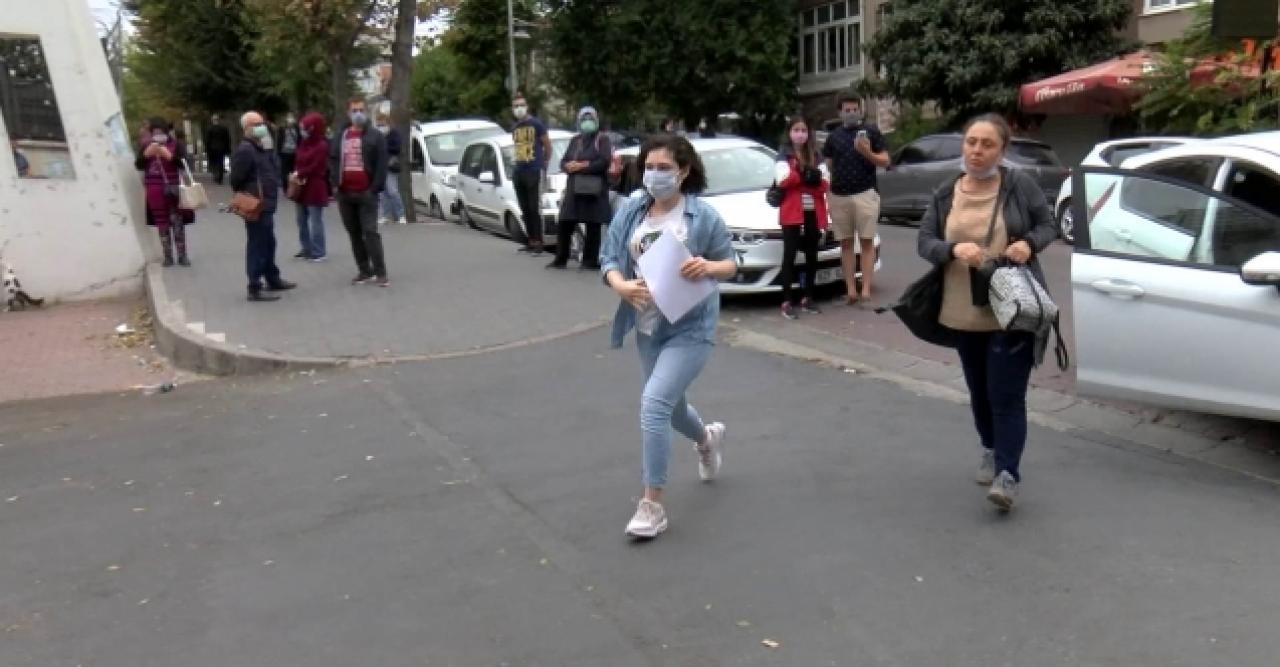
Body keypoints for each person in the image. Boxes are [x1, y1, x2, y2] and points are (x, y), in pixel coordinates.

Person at [916, 113, 1058, 511]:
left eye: (987, 144)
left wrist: (1028, 244)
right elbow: (925, 242)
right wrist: (952, 250)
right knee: (980, 392)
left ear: (1003, 150)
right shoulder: (947, 192)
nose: (977, 151)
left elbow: (1048, 225)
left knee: (1006, 395)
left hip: (1013, 310)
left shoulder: (1019, 185)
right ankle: (991, 447)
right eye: (971, 142)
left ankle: (1008, 474)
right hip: (963, 312)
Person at [599, 134, 736, 539]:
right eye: (649, 167)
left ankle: (652, 506)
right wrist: (620, 285)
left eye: (664, 168)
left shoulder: (702, 216)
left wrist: (707, 266)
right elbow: (608, 258)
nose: (655, 175)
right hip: (648, 327)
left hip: (691, 328)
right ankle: (707, 439)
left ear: (684, 171)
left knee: (654, 405)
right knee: (672, 408)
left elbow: (730, 263)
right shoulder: (632, 211)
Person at [823, 93, 889, 306]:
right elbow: (829, 164)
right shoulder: (834, 137)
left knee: (867, 241)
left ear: (861, 111)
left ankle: (866, 289)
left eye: (855, 110)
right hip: (839, 196)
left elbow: (885, 161)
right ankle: (850, 289)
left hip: (865, 194)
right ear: (840, 112)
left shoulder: (871, 132)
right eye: (847, 110)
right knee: (846, 243)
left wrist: (867, 152)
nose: (851, 114)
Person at [229, 111, 296, 302]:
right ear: (246, 128)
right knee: (258, 244)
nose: (261, 127)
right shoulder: (245, 150)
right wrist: (250, 192)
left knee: (268, 242)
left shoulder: (262, 146)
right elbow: (236, 179)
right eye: (256, 124)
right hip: (256, 204)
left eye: (262, 123)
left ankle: (272, 277)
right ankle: (254, 286)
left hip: (267, 202)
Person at [329, 96, 390, 287]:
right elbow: (333, 159)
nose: (358, 114)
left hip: (367, 193)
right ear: (348, 113)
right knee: (354, 233)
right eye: (354, 110)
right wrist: (335, 184)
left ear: (367, 112)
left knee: (370, 232)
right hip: (345, 193)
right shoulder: (341, 136)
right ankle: (364, 270)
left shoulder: (376, 136)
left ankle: (381, 272)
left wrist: (375, 188)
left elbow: (382, 164)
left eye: (361, 110)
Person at [774, 116, 828, 320]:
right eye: (796, 130)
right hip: (792, 212)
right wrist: (804, 175)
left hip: (813, 211)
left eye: (804, 130)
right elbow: (783, 180)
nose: (800, 134)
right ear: (789, 133)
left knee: (812, 255)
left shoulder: (816, 154)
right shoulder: (783, 155)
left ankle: (808, 298)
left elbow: (824, 184)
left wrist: (802, 179)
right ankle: (786, 301)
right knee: (789, 256)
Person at [548, 106, 612, 271]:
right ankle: (560, 259)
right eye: (584, 119)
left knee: (593, 225)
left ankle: (589, 261)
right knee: (565, 222)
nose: (587, 122)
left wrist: (581, 166)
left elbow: (604, 162)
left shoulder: (602, 139)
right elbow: (563, 161)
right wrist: (568, 166)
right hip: (574, 189)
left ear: (596, 120)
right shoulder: (575, 140)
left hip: (594, 190)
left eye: (590, 119)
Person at [135, 118, 190, 267]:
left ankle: (182, 255)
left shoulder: (176, 144)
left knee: (177, 221)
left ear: (166, 132)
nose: (158, 135)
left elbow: (185, 163)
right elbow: (138, 165)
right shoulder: (147, 146)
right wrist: (146, 155)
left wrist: (169, 156)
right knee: (162, 222)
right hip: (154, 189)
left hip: (173, 188)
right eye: (155, 133)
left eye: (160, 132)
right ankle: (168, 256)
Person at [510, 92, 552, 255]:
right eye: (516, 106)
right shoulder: (515, 127)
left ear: (526, 107)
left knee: (534, 207)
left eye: (521, 105)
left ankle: (539, 242)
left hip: (534, 170)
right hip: (519, 170)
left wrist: (544, 162)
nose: (519, 108)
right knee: (525, 207)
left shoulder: (536, 124)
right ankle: (531, 240)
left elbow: (547, 145)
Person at [291, 111, 330, 262]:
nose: (303, 131)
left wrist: (299, 172)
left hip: (315, 186)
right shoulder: (303, 143)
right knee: (301, 219)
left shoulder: (322, 145)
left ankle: (319, 251)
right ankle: (306, 248)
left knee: (315, 220)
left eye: (305, 128)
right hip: (301, 185)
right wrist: (297, 172)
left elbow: (316, 166)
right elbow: (298, 159)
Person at [376, 112, 407, 225]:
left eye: (383, 125)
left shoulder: (394, 134)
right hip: (380, 166)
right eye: (379, 125)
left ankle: (401, 215)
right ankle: (385, 215)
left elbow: (397, 148)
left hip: (390, 165)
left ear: (388, 124)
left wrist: (384, 146)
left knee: (393, 191)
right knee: (382, 193)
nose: (381, 127)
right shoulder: (377, 135)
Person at [204, 115, 231, 185]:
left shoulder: (210, 129)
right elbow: (227, 139)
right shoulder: (224, 129)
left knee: (214, 162)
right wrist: (228, 148)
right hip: (222, 148)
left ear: (213, 120)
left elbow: (207, 140)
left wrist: (207, 149)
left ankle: (216, 175)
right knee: (221, 162)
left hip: (212, 148)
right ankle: (220, 177)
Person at [277, 112, 301, 186]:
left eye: (291, 117)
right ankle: (285, 185)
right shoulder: (282, 129)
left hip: (294, 152)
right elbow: (279, 140)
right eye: (289, 117)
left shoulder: (297, 128)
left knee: (293, 169)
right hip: (285, 152)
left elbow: (299, 139)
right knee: (285, 170)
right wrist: (279, 151)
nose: (290, 119)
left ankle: (292, 185)